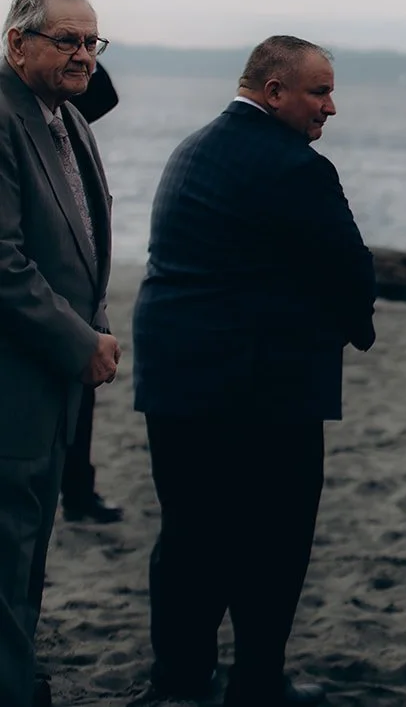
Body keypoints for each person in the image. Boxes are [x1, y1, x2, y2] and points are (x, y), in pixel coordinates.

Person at [132, 36, 376, 707]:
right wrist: (359, 327)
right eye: (318, 92)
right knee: (273, 542)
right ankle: (255, 682)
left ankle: (178, 681)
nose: (331, 107)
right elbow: (347, 265)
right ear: (273, 91)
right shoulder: (294, 166)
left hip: (177, 378)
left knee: (188, 536)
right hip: (263, 388)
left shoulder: (192, 148)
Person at [0, 0, 120, 707]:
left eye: (92, 42)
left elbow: (81, 237)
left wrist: (94, 324)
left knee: (30, 551)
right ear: (17, 43)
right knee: (7, 551)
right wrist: (79, 338)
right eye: (67, 41)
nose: (83, 56)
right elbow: (3, 260)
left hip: (56, 384)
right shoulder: (4, 118)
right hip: (14, 377)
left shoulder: (66, 117)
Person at [60, 63, 122, 526]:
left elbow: (104, 94)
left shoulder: (68, 122)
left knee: (82, 393)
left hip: (79, 288)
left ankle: (79, 492)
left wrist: (76, 48)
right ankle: (78, 492)